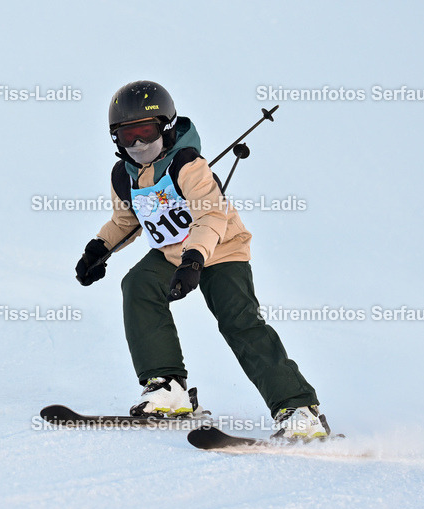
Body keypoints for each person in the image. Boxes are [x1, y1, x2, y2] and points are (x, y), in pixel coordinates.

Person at [74, 80, 330, 440]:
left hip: (222, 250)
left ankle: (298, 409)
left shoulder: (187, 165)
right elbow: (125, 221)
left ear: (165, 126)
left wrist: (194, 262)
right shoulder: (124, 175)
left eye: (146, 131)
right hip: (173, 253)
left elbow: (211, 216)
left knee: (238, 321)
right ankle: (168, 386)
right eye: (127, 135)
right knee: (139, 284)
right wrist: (97, 250)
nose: (138, 144)